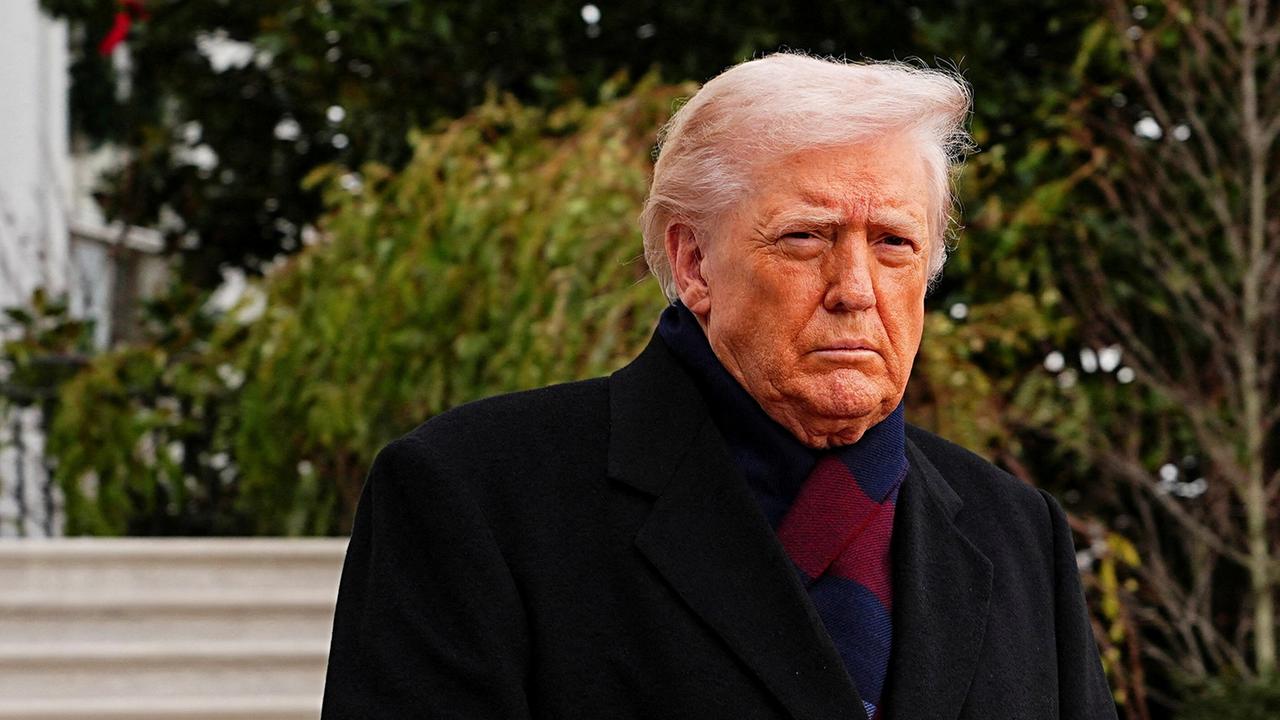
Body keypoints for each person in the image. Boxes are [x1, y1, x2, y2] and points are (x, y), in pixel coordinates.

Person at [321, 53, 1118, 719]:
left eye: (894, 243)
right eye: (805, 237)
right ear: (694, 261)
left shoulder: (1018, 534)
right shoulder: (475, 495)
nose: (855, 288)